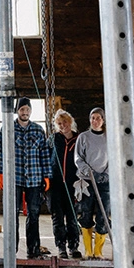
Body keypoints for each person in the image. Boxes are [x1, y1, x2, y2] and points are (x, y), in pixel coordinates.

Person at [0, 97, 51, 259]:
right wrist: (0, 173)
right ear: (16, 111)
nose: (24, 112)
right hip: (15, 178)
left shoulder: (38, 130)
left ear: (31, 111)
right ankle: (11, 250)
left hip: (35, 178)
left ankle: (33, 249)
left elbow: (45, 154)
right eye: (22, 109)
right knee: (12, 214)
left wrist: (47, 176)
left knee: (33, 214)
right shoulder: (7, 128)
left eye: (27, 109)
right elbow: (1, 152)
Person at [75, 107, 110, 259]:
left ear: (103, 120)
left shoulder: (109, 137)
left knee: (104, 215)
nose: (95, 121)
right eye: (93, 118)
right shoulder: (83, 137)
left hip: (105, 181)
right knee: (86, 213)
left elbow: (115, 156)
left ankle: (98, 251)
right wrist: (90, 172)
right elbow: (78, 158)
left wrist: (106, 174)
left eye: (98, 118)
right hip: (87, 181)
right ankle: (88, 250)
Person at [51, 109, 82, 259]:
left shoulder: (79, 140)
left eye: (65, 122)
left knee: (72, 216)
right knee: (57, 216)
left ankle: (74, 246)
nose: (63, 126)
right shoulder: (54, 139)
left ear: (70, 122)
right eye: (60, 124)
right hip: (55, 183)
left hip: (73, 183)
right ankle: (61, 247)